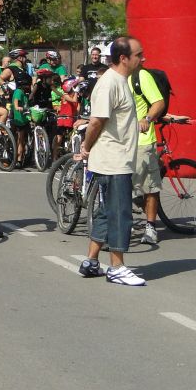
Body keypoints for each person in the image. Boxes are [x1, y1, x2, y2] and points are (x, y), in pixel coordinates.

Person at [76, 36, 144, 286]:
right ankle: (117, 266)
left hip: (118, 159)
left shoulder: (122, 81)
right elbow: (96, 121)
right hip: (112, 161)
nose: (142, 58)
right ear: (123, 58)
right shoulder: (110, 83)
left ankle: (91, 261)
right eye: (138, 54)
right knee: (120, 213)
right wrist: (86, 146)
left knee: (106, 211)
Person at [128, 54, 167, 245]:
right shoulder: (116, 78)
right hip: (122, 142)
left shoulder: (141, 76)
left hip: (143, 140)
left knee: (150, 186)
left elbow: (158, 102)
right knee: (129, 187)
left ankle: (150, 227)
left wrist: (147, 119)